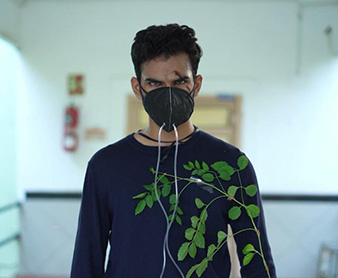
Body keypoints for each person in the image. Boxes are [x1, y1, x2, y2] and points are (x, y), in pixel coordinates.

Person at [70, 23, 276, 278]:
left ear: (196, 85)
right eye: (155, 84)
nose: (167, 93)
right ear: (138, 88)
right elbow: (86, 262)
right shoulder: (106, 166)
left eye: (179, 82)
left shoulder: (231, 164)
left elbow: (257, 262)